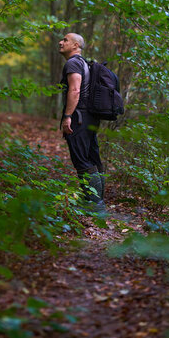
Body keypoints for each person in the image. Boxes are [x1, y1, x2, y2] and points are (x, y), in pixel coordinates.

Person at [59, 33, 106, 213]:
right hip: (89, 117)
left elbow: (75, 90)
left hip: (79, 117)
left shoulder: (73, 63)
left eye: (65, 40)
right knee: (92, 157)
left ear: (76, 45)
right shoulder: (84, 63)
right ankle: (97, 201)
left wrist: (67, 116)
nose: (61, 42)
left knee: (81, 159)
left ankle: (94, 204)